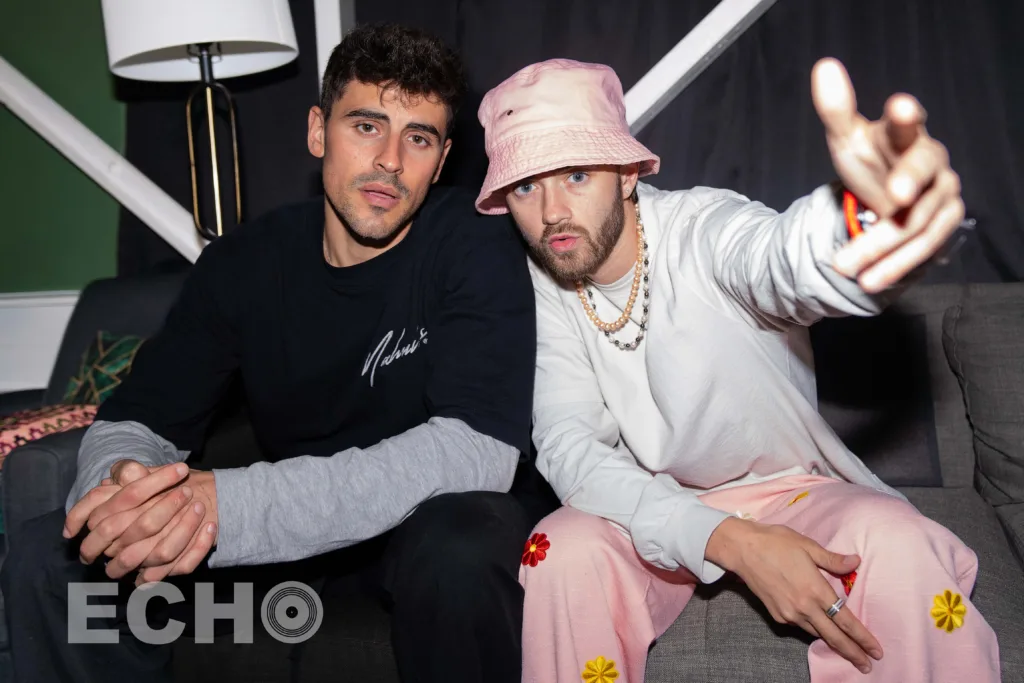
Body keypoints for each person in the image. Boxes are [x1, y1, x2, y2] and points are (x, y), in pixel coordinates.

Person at [1, 23, 540, 683]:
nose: (391, 162)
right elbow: (135, 418)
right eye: (366, 127)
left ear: (443, 156)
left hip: (414, 556)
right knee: (49, 563)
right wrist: (125, 495)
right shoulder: (245, 262)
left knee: (462, 541)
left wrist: (228, 505)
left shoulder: (474, 244)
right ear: (318, 131)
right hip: (284, 581)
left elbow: (474, 452)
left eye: (418, 138)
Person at [473, 58, 1000, 682]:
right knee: (561, 552)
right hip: (652, 502)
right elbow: (569, 445)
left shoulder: (701, 228)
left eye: (577, 174)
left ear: (625, 176)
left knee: (898, 544)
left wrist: (861, 225)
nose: (552, 212)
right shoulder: (540, 283)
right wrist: (726, 539)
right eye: (527, 186)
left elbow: (776, 262)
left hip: (790, 488)